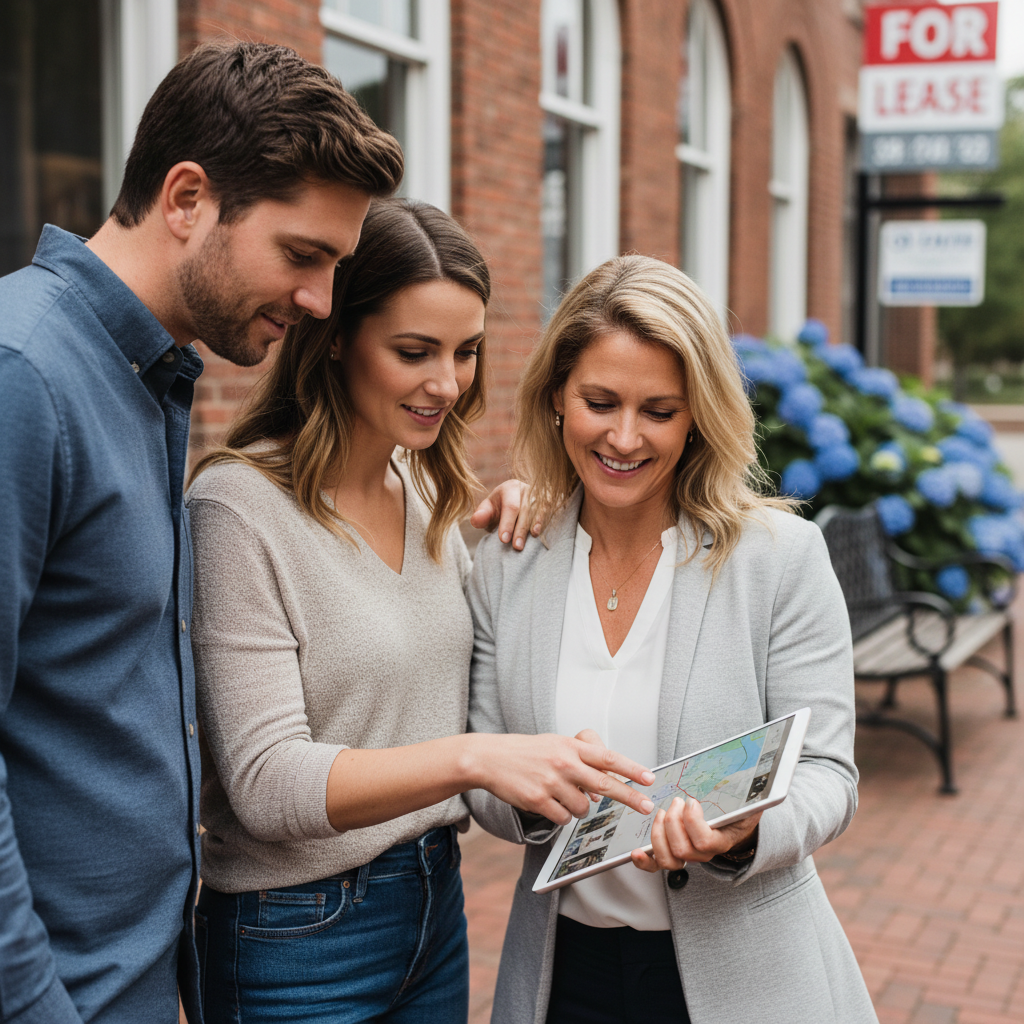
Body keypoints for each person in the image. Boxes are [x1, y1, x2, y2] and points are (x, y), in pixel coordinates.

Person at [0, 38, 407, 1024]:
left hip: (136, 978)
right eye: (302, 255)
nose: (317, 302)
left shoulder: (147, 374)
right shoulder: (26, 374)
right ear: (187, 199)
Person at [185, 199, 656, 1024]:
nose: (447, 383)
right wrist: (472, 758)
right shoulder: (237, 508)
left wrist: (533, 507)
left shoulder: (431, 493)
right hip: (294, 937)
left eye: (466, 352)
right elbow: (265, 783)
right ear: (334, 339)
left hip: (434, 908)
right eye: (414, 352)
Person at [466, 255, 879, 1024]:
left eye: (659, 410)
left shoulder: (778, 559)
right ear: (557, 396)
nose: (624, 437)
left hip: (746, 975)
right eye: (600, 401)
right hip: (563, 975)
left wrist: (746, 834)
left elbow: (829, 773)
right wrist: (534, 794)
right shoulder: (508, 559)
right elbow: (479, 764)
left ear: (698, 417)